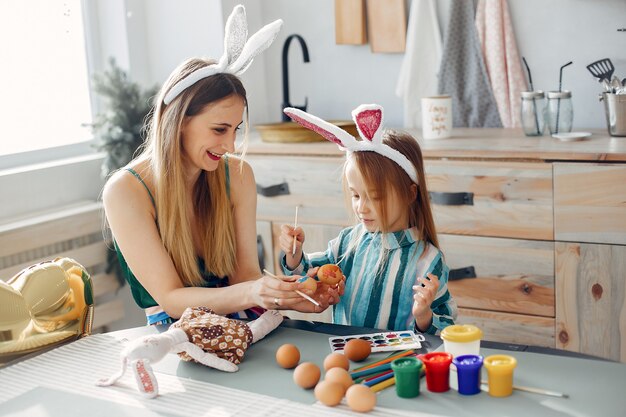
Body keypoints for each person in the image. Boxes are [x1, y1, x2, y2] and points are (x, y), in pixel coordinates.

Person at [103, 5, 337, 326]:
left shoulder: (237, 175)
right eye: (219, 129)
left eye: (235, 129)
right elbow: (171, 300)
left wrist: (294, 296)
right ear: (178, 121)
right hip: (175, 337)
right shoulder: (126, 192)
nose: (230, 147)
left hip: (247, 325)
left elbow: (246, 277)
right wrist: (257, 292)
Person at [279, 104, 457, 334]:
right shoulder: (347, 242)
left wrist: (424, 316)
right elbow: (306, 277)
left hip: (396, 362)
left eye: (375, 197)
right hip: (346, 355)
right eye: (355, 195)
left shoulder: (428, 260)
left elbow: (448, 327)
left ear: (410, 194)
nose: (361, 208)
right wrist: (294, 254)